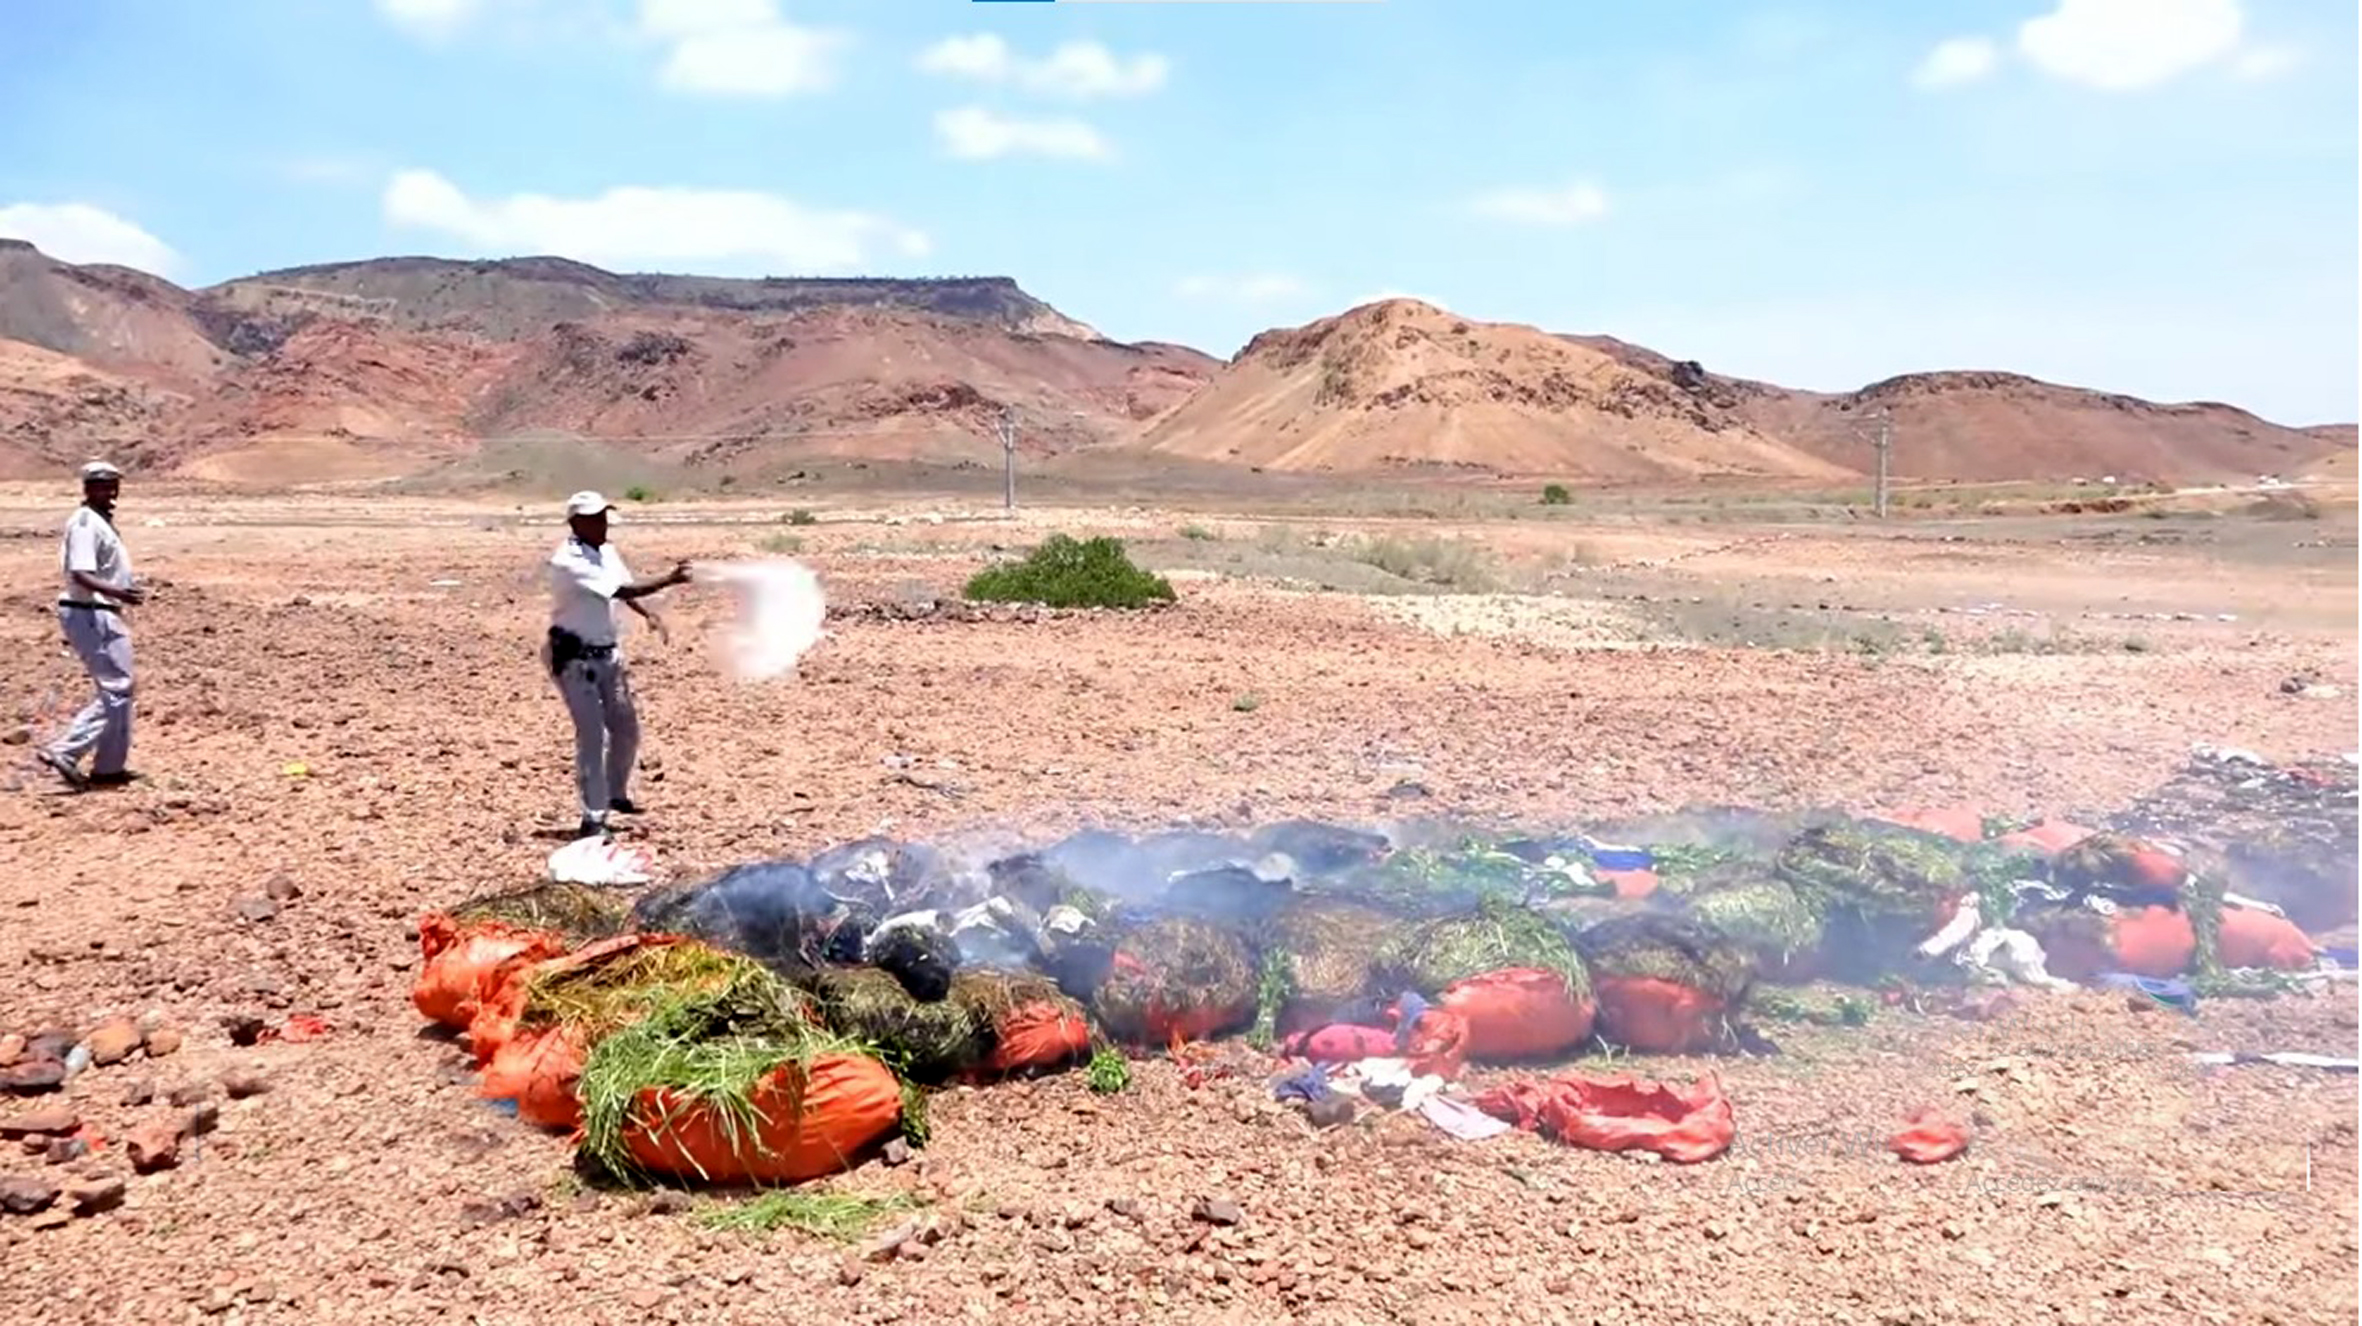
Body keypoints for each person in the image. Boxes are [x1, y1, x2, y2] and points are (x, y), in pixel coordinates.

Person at [546, 491, 691, 839]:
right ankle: (593, 817)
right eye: (594, 518)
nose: (602, 524)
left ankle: (615, 794)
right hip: (573, 658)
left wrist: (647, 614)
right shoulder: (568, 560)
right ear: (575, 523)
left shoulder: (607, 552)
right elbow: (622, 591)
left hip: (607, 653)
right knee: (593, 735)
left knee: (626, 729)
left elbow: (624, 588)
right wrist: (670, 579)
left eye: (604, 517)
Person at [39, 460, 146, 790]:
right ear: (86, 489)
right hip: (90, 610)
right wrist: (117, 592)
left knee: (120, 689)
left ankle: (109, 768)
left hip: (102, 610)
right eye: (101, 485)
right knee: (117, 688)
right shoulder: (85, 523)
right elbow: (80, 573)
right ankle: (66, 750)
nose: (109, 491)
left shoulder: (100, 521)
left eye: (113, 485)